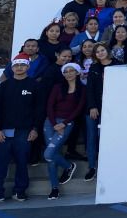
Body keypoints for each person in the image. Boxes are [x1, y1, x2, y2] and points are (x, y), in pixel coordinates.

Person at [0, 53, 43, 206]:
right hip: (3, 131)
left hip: (25, 131)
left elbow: (39, 109)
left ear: (27, 66)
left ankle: (19, 191)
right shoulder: (3, 86)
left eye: (22, 65)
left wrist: (35, 128)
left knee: (22, 162)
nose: (19, 68)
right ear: (12, 67)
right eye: (16, 65)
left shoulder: (34, 86)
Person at [43, 63, 85, 200]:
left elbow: (78, 109)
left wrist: (63, 124)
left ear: (78, 72)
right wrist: (55, 124)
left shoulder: (82, 89)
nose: (69, 73)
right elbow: (49, 105)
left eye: (71, 71)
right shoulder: (57, 87)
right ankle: (54, 188)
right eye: (66, 71)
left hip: (67, 122)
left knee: (49, 153)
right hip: (50, 123)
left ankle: (68, 166)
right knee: (51, 156)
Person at [84, 43, 116, 182]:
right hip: (94, 107)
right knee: (91, 137)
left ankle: (108, 165)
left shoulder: (118, 65)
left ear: (107, 51)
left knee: (107, 137)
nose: (100, 53)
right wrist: (92, 106)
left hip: (112, 108)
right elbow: (89, 89)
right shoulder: (94, 67)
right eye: (97, 52)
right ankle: (92, 166)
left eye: (102, 50)